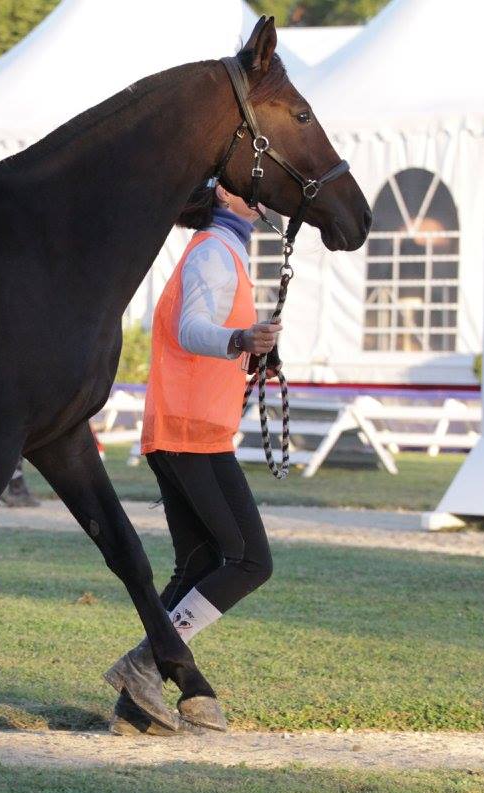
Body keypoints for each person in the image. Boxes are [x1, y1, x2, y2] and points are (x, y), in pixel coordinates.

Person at [106, 179, 279, 734]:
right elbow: (192, 330)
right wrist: (243, 340)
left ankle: (136, 708)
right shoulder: (213, 251)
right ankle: (145, 662)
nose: (263, 196)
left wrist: (249, 348)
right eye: (250, 188)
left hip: (185, 427)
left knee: (200, 563)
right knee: (250, 560)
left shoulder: (217, 250)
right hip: (191, 431)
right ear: (225, 195)